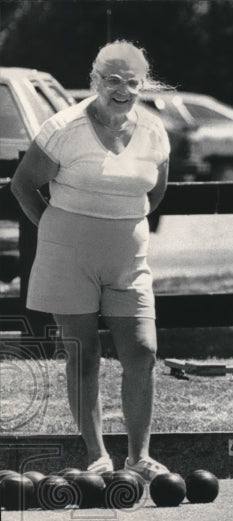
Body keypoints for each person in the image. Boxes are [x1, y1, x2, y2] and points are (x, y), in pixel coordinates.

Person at [10, 41, 171, 480]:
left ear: (143, 84)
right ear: (96, 80)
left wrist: (119, 224)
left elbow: (154, 192)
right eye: (112, 81)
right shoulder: (64, 127)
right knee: (84, 354)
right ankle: (98, 455)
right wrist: (57, 232)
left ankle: (140, 456)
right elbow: (23, 186)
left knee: (142, 351)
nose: (122, 90)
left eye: (132, 82)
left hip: (128, 255)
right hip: (68, 251)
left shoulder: (155, 129)